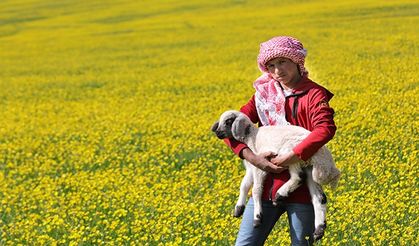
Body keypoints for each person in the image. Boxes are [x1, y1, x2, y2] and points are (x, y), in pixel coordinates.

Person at [223, 36, 337, 245]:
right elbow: (231, 128)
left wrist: (292, 156)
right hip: (266, 187)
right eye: (271, 66)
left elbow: (325, 129)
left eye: (283, 62)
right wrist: (253, 158)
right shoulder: (263, 94)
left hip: (302, 188)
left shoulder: (313, 94)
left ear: (297, 61)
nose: (277, 71)